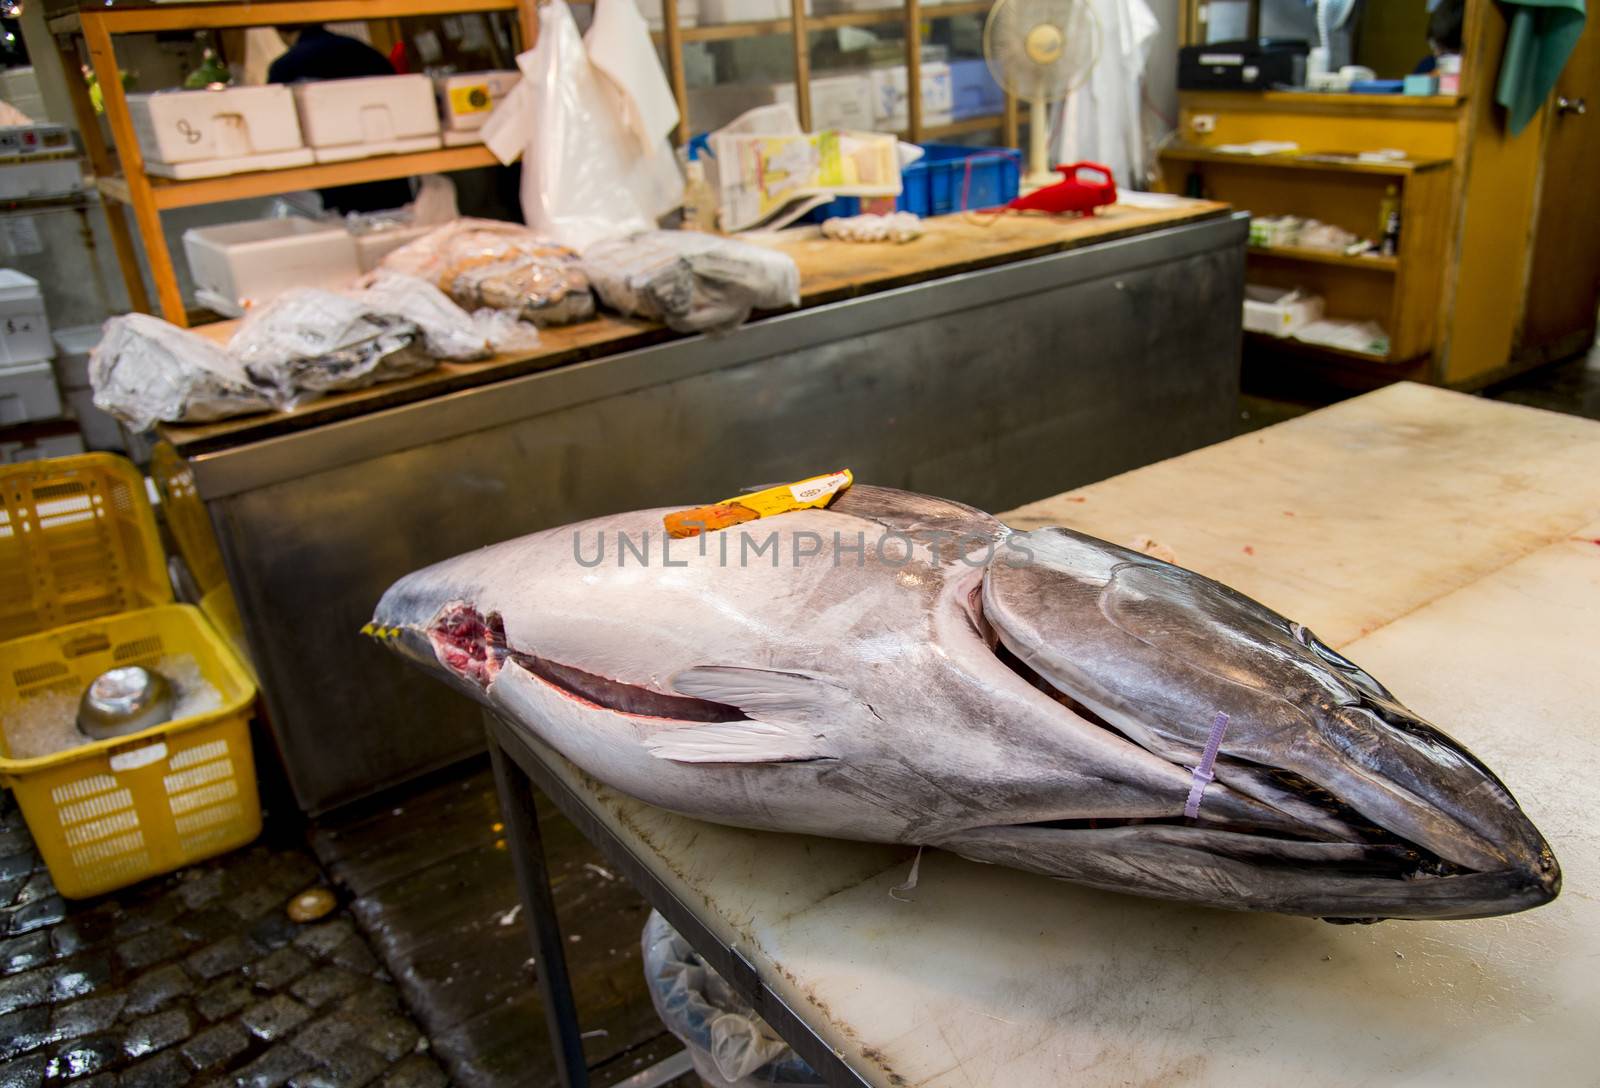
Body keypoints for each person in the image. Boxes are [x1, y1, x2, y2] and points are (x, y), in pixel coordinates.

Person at [269, 25, 415, 214]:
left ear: (280, 32)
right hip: (387, 171)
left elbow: (280, 130)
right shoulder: (366, 52)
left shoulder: (285, 67)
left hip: (333, 180)